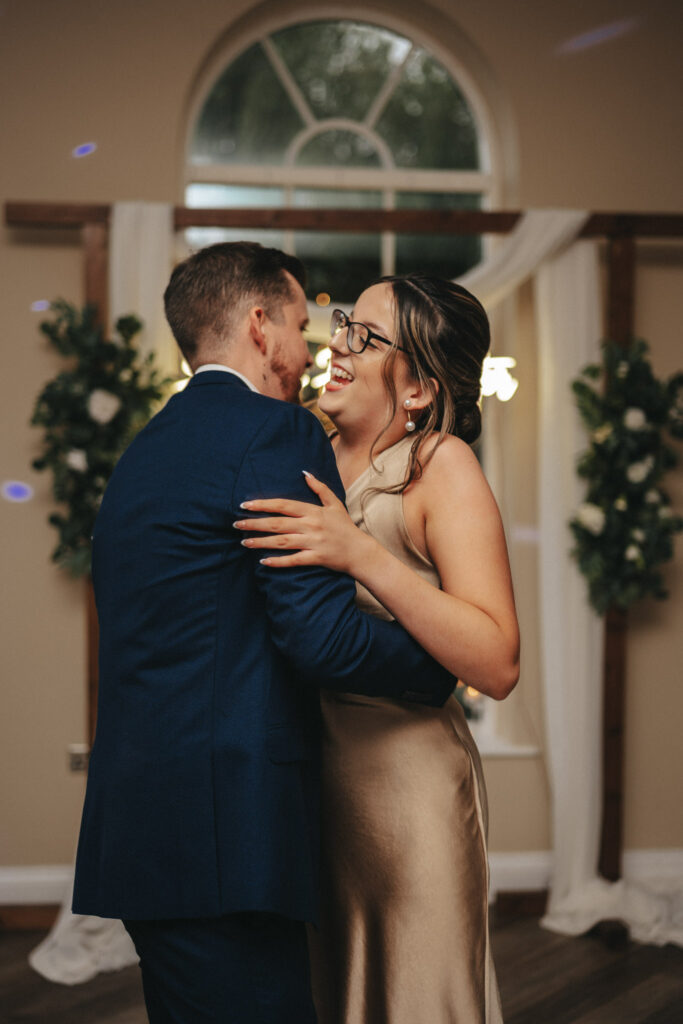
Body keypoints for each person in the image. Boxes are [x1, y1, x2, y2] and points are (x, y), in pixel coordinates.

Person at [71, 243, 457, 1024]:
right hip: (227, 831)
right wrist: (439, 663)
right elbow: (321, 640)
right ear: (259, 326)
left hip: (142, 827)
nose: (314, 347)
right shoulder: (274, 434)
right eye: (300, 322)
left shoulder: (143, 453)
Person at [233, 273, 520, 1023]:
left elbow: (496, 661)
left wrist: (360, 556)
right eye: (341, 324)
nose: (336, 342)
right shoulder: (303, 452)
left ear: (420, 388)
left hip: (404, 792)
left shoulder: (439, 467)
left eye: (365, 335)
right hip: (309, 784)